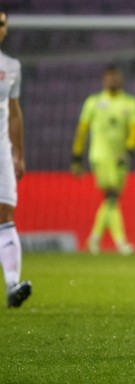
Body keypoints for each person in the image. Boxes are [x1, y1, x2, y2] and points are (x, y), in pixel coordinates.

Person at [70, 64, 135, 256]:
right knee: (111, 196)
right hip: (99, 155)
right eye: (109, 77)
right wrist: (76, 156)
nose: (112, 80)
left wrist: (129, 151)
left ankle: (94, 238)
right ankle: (121, 243)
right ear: (104, 80)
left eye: (115, 77)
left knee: (111, 200)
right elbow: (82, 130)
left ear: (121, 79)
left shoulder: (130, 102)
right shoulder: (93, 102)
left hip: (120, 158)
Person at [0, 10, 32, 308]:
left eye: (2, 24)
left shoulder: (10, 66)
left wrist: (18, 153)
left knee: (6, 214)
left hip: (2, 150)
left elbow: (14, 111)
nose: (0, 28)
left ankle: (11, 285)